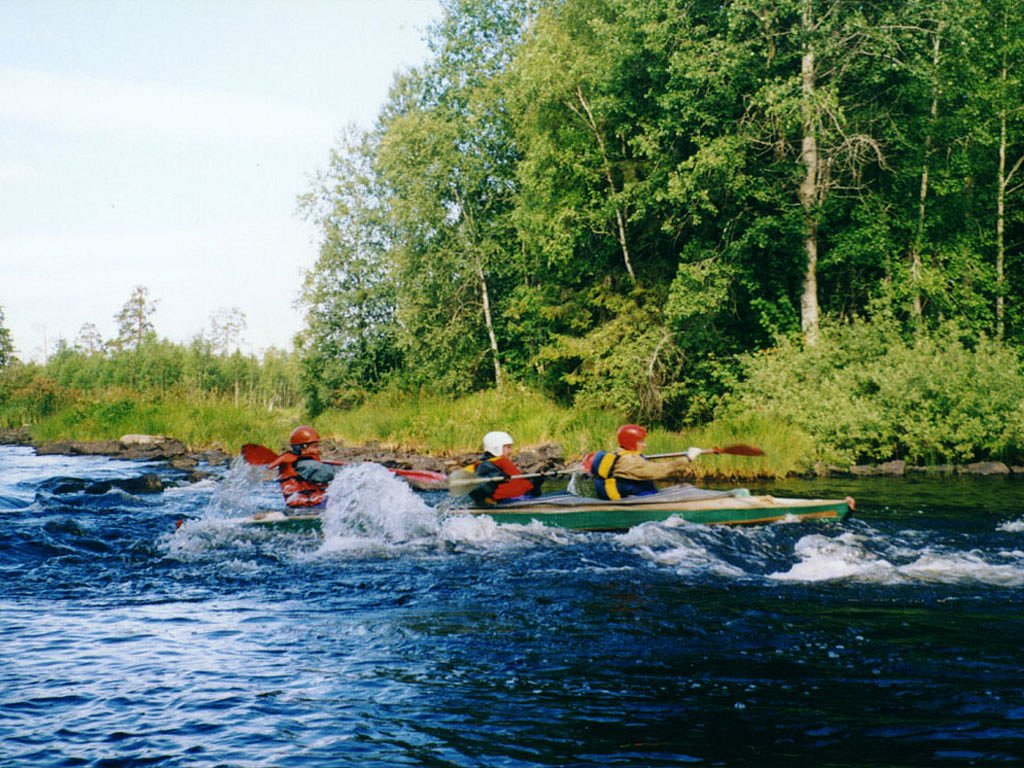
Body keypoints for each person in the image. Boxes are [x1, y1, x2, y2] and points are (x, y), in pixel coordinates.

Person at [588, 424, 701, 501]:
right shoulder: (629, 461)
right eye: (641, 441)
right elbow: (659, 470)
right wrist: (688, 459)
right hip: (633, 500)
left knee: (684, 487)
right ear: (631, 442)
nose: (645, 445)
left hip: (638, 496)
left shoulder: (622, 454)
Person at [464, 431, 544, 505]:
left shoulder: (497, 462)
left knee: (536, 481)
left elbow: (518, 483)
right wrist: (495, 477)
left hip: (524, 496)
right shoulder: (486, 465)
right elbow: (481, 487)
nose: (510, 451)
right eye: (508, 447)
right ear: (496, 448)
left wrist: (540, 477)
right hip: (510, 501)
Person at [268, 425, 337, 508]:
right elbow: (329, 474)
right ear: (303, 447)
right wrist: (349, 472)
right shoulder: (303, 465)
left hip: (307, 504)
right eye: (315, 446)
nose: (319, 450)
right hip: (311, 505)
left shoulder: (301, 462)